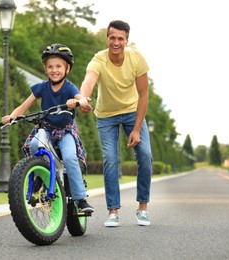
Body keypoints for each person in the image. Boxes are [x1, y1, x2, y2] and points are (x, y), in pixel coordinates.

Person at [1, 43, 94, 213]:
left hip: (65, 130)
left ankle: (80, 199)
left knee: (70, 158)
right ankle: (39, 178)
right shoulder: (42, 87)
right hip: (46, 129)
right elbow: (24, 106)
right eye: (50, 66)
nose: (54, 70)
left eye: (58, 66)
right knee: (35, 147)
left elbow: (82, 99)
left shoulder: (68, 87)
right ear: (45, 69)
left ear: (67, 69)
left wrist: (79, 102)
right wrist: (11, 116)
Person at [80, 20, 152, 226]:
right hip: (106, 115)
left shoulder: (136, 58)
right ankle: (113, 212)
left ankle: (143, 208)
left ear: (127, 40)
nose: (116, 42)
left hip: (132, 111)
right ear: (107, 38)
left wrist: (137, 129)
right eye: (112, 38)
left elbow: (144, 94)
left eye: (121, 38)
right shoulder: (99, 59)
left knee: (145, 155)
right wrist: (83, 98)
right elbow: (89, 81)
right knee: (111, 159)